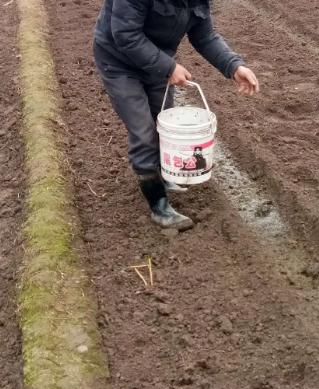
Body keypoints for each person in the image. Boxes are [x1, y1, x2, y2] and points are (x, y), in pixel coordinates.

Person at [93, 0, 259, 230]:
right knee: (143, 132)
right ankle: (158, 204)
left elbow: (204, 36)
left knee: (164, 122)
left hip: (157, 62)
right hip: (119, 62)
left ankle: (163, 172)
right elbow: (125, 35)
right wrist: (169, 68)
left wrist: (233, 66)